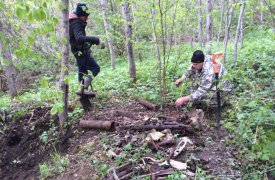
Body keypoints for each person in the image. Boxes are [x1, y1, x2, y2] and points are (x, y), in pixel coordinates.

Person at [69, 3, 105, 95]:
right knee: (95, 68)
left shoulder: (74, 21)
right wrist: (96, 39)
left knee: (83, 71)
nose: (87, 18)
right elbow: (79, 38)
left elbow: (77, 39)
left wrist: (87, 46)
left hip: (79, 50)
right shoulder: (76, 23)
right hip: (79, 51)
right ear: (80, 14)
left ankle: (82, 91)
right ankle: (83, 89)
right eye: (85, 16)